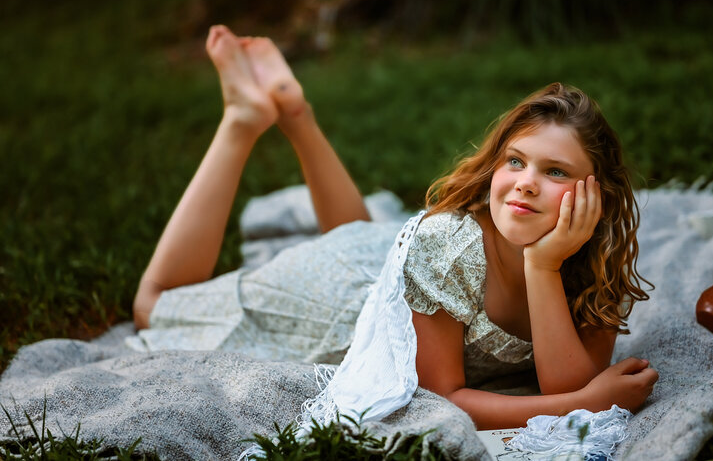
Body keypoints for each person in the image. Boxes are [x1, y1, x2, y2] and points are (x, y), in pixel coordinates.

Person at [132, 25, 658, 430]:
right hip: (336, 304)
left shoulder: (597, 260)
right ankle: (244, 119)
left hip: (389, 262)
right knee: (154, 307)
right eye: (515, 161)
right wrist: (583, 406)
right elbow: (441, 399)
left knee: (359, 233)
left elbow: (565, 379)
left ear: (599, 198)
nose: (524, 183)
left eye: (556, 172)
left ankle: (294, 112)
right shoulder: (446, 248)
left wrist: (544, 265)